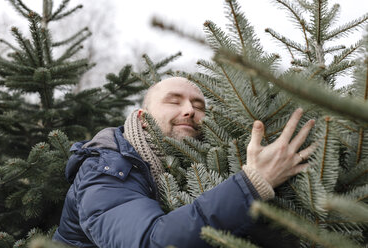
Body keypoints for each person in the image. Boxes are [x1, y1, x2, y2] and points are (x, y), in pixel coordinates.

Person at [53, 77, 315, 247]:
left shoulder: (205, 164)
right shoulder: (106, 166)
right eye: (174, 101)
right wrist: (254, 183)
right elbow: (151, 242)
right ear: (143, 118)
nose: (189, 110)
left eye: (199, 106)